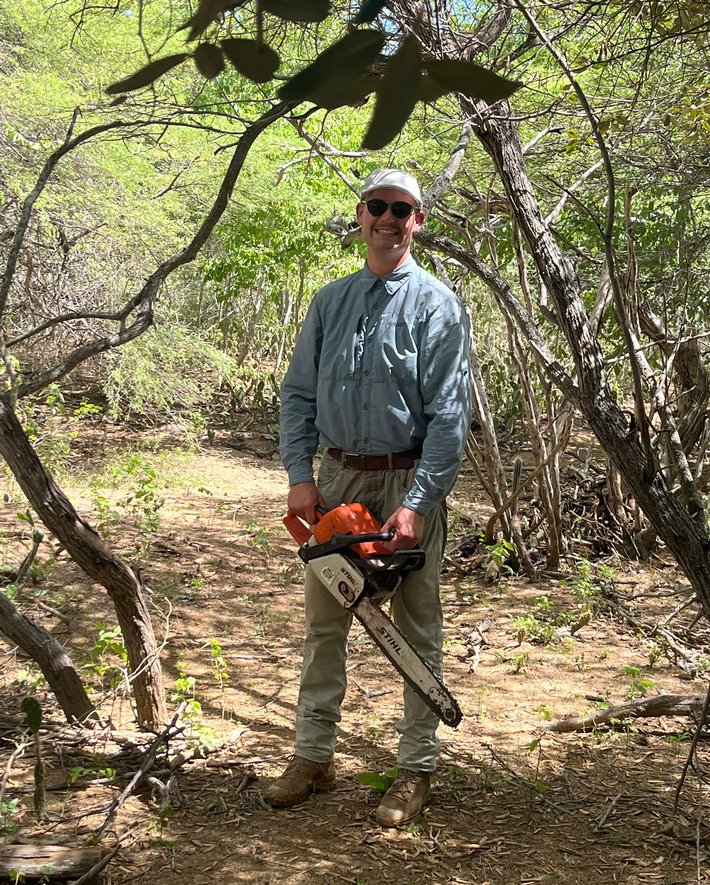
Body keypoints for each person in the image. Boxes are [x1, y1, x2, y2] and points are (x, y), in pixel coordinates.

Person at [264, 168, 472, 826]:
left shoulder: (438, 305)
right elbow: (298, 394)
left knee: (415, 627)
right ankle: (313, 755)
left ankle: (415, 768)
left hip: (407, 482)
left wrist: (418, 502)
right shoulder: (330, 302)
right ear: (360, 215)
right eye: (378, 206)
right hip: (337, 481)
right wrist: (302, 473)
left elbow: (449, 417)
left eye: (402, 209)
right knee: (325, 624)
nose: (388, 218)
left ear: (419, 222)